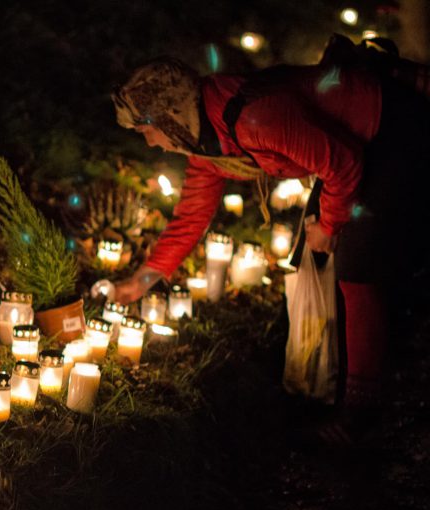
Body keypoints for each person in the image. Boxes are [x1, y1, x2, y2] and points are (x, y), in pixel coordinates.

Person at [110, 52, 430, 446]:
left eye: (147, 130)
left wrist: (329, 226)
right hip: (353, 149)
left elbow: (343, 162)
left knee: (356, 268)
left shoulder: (252, 119)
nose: (150, 143)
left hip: (390, 130)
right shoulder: (206, 142)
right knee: (334, 258)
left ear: (171, 114)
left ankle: (360, 414)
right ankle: (341, 379)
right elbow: (190, 216)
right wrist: (142, 281)